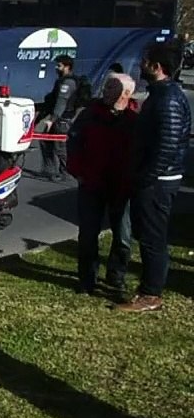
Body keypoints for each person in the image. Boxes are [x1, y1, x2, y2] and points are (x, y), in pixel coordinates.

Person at [116, 41, 190, 313]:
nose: (141, 66)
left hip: (158, 183)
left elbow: (167, 146)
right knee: (147, 235)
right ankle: (148, 288)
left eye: (145, 62)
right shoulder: (161, 95)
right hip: (153, 179)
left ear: (157, 67)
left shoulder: (168, 99)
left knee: (153, 237)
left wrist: (147, 177)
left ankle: (151, 294)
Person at [66, 73, 137, 296]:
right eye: (106, 86)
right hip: (91, 184)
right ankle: (87, 279)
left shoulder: (136, 118)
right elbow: (74, 143)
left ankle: (116, 277)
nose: (106, 91)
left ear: (126, 93)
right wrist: (77, 172)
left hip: (121, 187)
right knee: (88, 234)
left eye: (112, 88)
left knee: (123, 236)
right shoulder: (89, 114)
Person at [36, 54, 82, 181]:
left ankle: (65, 173)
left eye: (59, 65)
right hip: (58, 117)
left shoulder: (68, 83)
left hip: (63, 119)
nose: (56, 68)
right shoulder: (61, 81)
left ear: (67, 67)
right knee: (45, 141)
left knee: (60, 147)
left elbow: (61, 102)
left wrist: (52, 119)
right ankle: (48, 169)